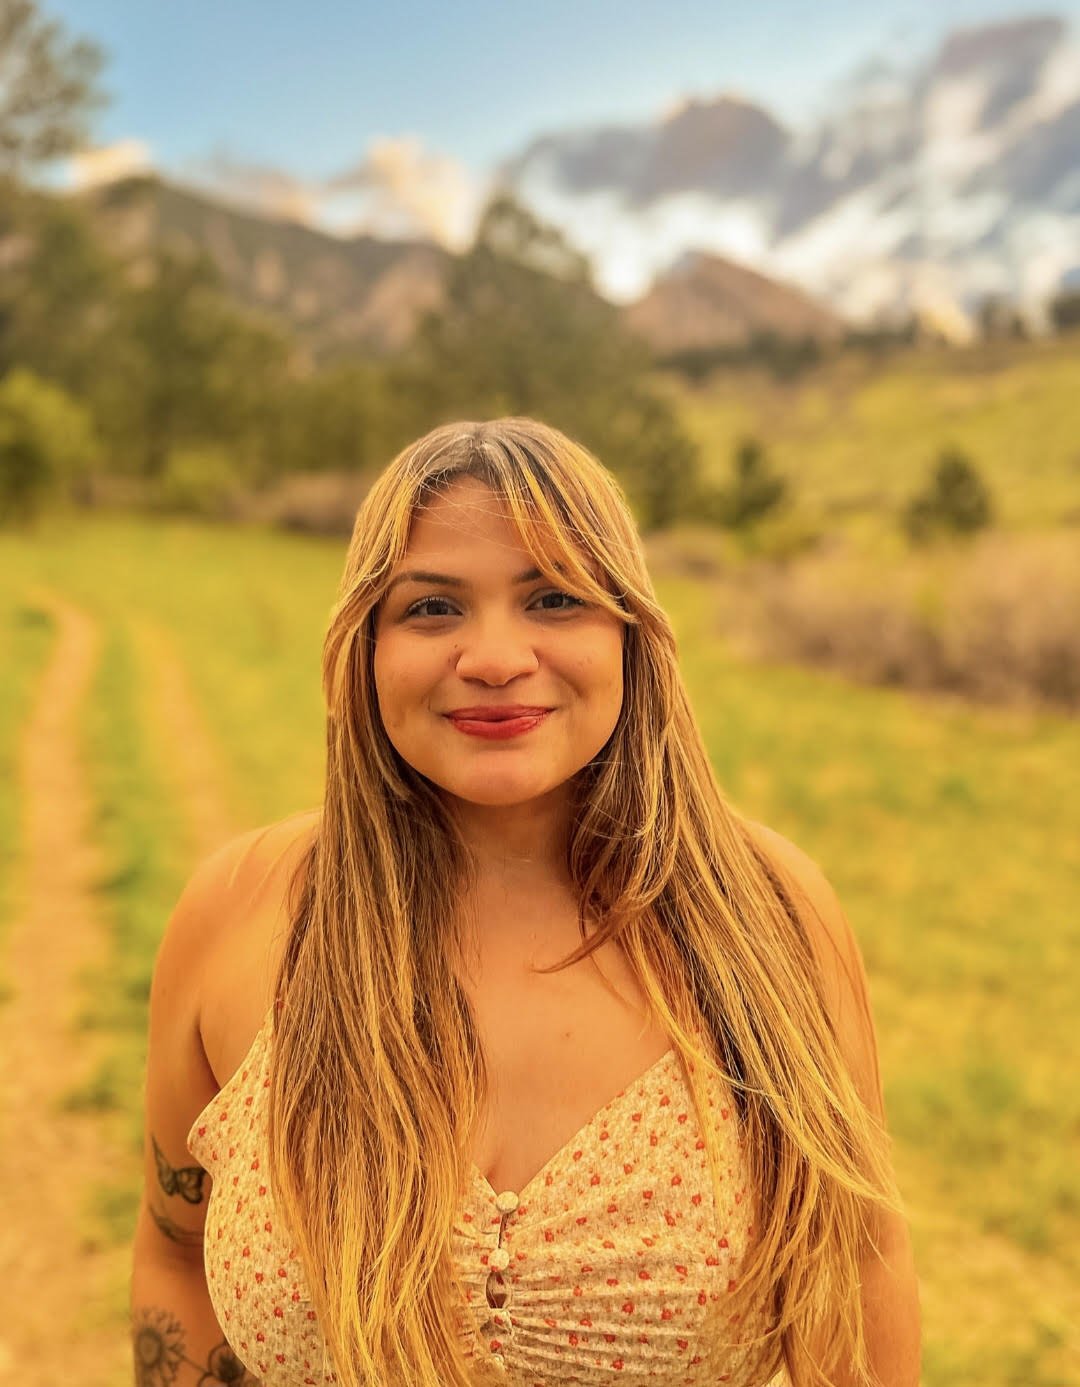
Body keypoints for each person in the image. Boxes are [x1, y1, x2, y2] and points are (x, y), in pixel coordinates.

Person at [131, 417, 921, 1387]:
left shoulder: (772, 915)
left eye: (553, 597)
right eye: (432, 608)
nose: (497, 656)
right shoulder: (237, 912)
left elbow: (860, 1266)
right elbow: (175, 1253)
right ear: (366, 647)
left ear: (630, 632)